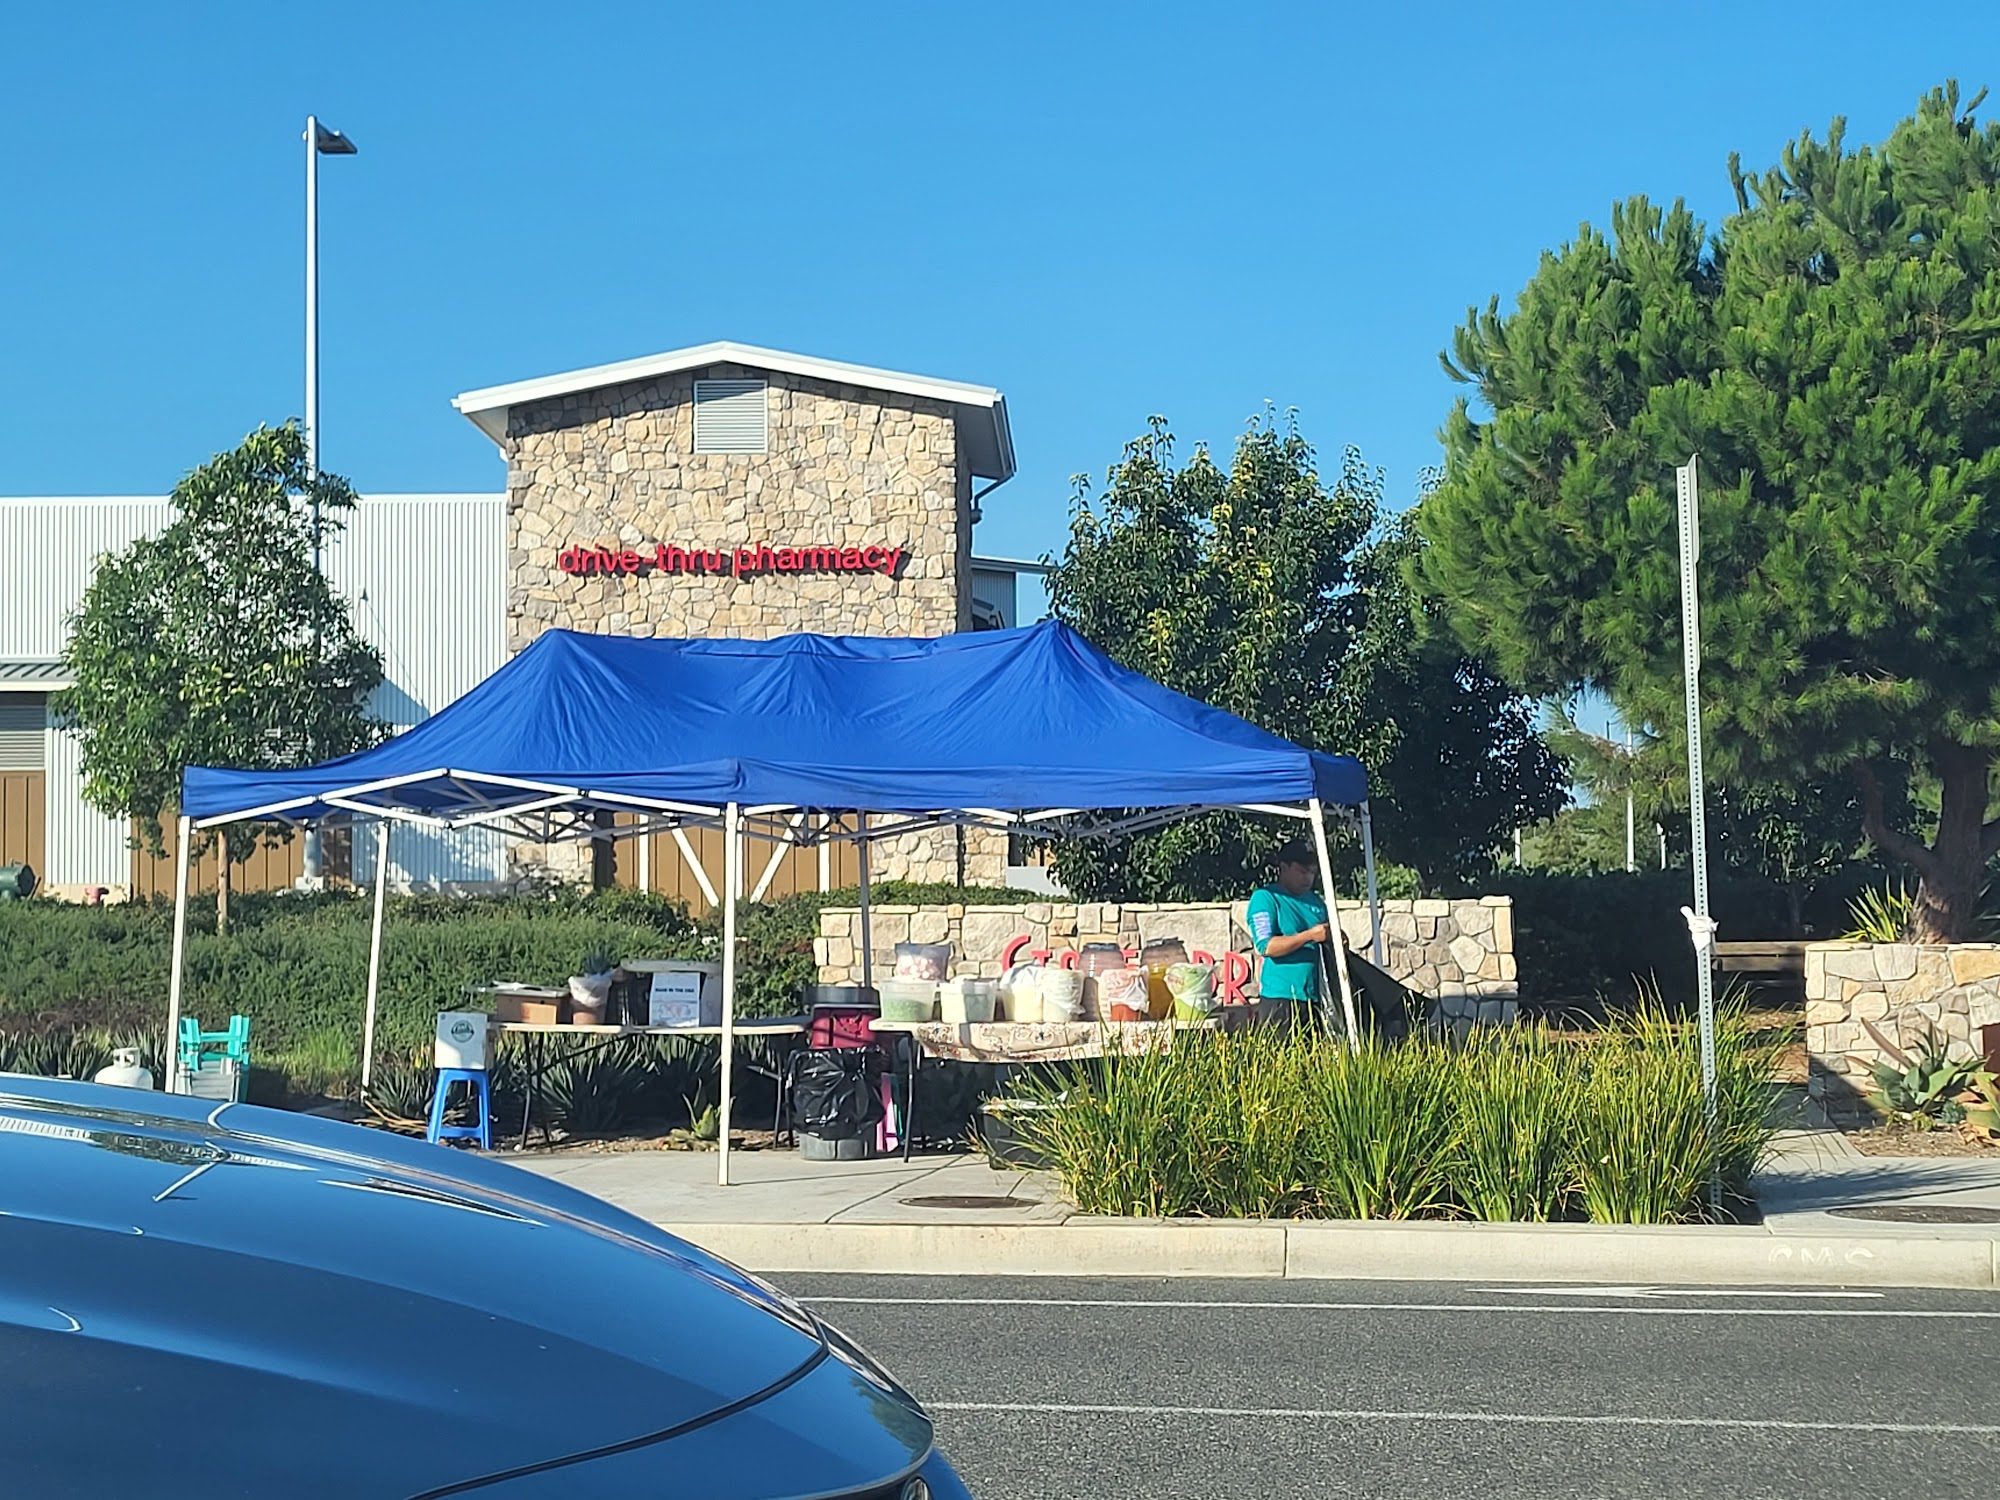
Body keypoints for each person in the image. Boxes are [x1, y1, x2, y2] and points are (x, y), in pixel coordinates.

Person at [1245, 839, 1337, 1029]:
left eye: (1312, 872)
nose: (1308, 878)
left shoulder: (1316, 902)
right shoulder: (1265, 898)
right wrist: (1309, 935)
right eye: (1302, 871)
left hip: (1315, 996)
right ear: (1284, 867)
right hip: (1281, 998)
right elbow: (1266, 946)